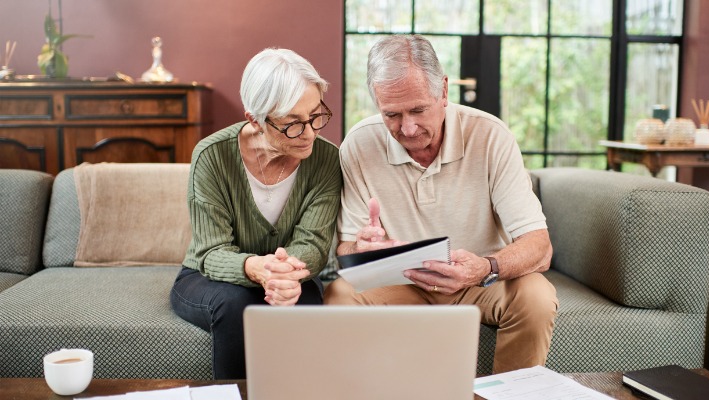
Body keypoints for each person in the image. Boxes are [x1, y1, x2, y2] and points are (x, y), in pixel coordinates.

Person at [324, 35, 558, 374]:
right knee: (338, 295)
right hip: (401, 282)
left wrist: (485, 267)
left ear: (444, 91)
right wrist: (363, 250)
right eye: (392, 114)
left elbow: (540, 247)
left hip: (479, 281)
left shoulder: (491, 136)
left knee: (536, 296)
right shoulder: (359, 143)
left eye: (418, 110)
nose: (407, 128)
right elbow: (347, 250)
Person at [170, 48, 342, 379]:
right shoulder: (212, 156)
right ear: (255, 120)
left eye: (316, 115)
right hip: (209, 277)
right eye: (292, 124)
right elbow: (211, 251)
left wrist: (280, 275)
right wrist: (256, 268)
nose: (309, 133)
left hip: (294, 274)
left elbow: (315, 245)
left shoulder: (326, 160)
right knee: (238, 306)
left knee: (303, 305)